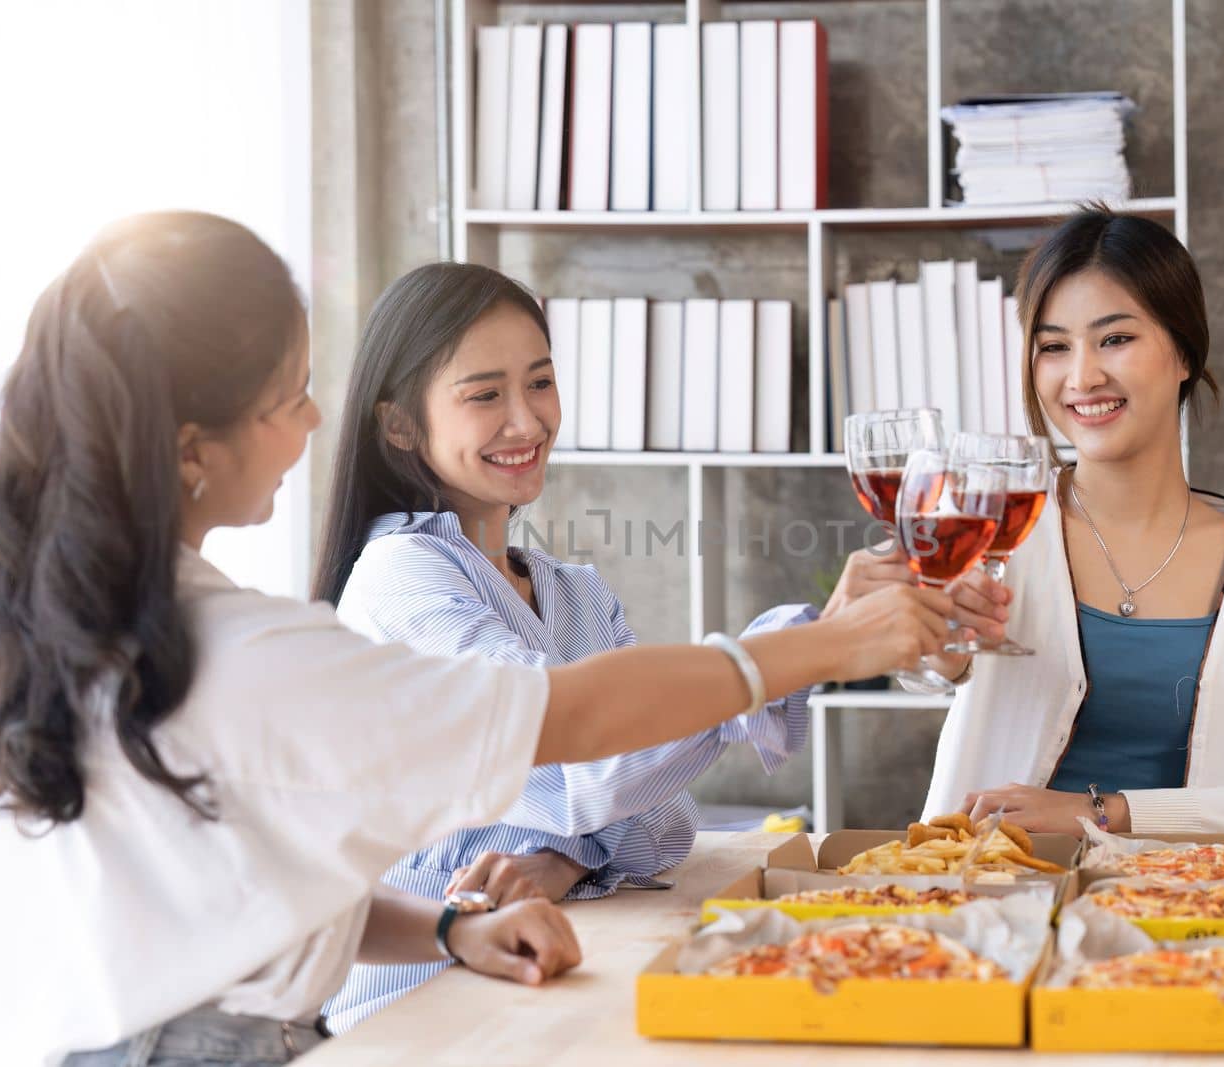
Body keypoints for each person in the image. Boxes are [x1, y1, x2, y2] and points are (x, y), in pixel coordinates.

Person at [0, 212, 955, 1066]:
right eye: (286, 395)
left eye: (541, 380)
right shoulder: (248, 646)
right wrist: (821, 643)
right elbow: (578, 724)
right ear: (190, 450)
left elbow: (253, 893)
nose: (308, 423)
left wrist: (446, 922)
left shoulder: (130, 620)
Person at [310, 263, 933, 1030]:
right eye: (484, 395)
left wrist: (568, 858)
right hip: (416, 1008)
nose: (528, 421)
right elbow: (586, 772)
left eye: (540, 382)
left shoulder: (573, 591)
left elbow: (668, 815)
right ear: (400, 426)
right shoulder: (401, 576)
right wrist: (809, 648)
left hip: (538, 978)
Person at [920, 205, 1224, 855]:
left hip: (1191, 917)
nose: (1081, 377)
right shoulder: (997, 526)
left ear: (1184, 351)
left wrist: (1104, 812)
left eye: (1114, 339)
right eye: (1053, 346)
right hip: (987, 895)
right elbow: (925, 656)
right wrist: (936, 644)